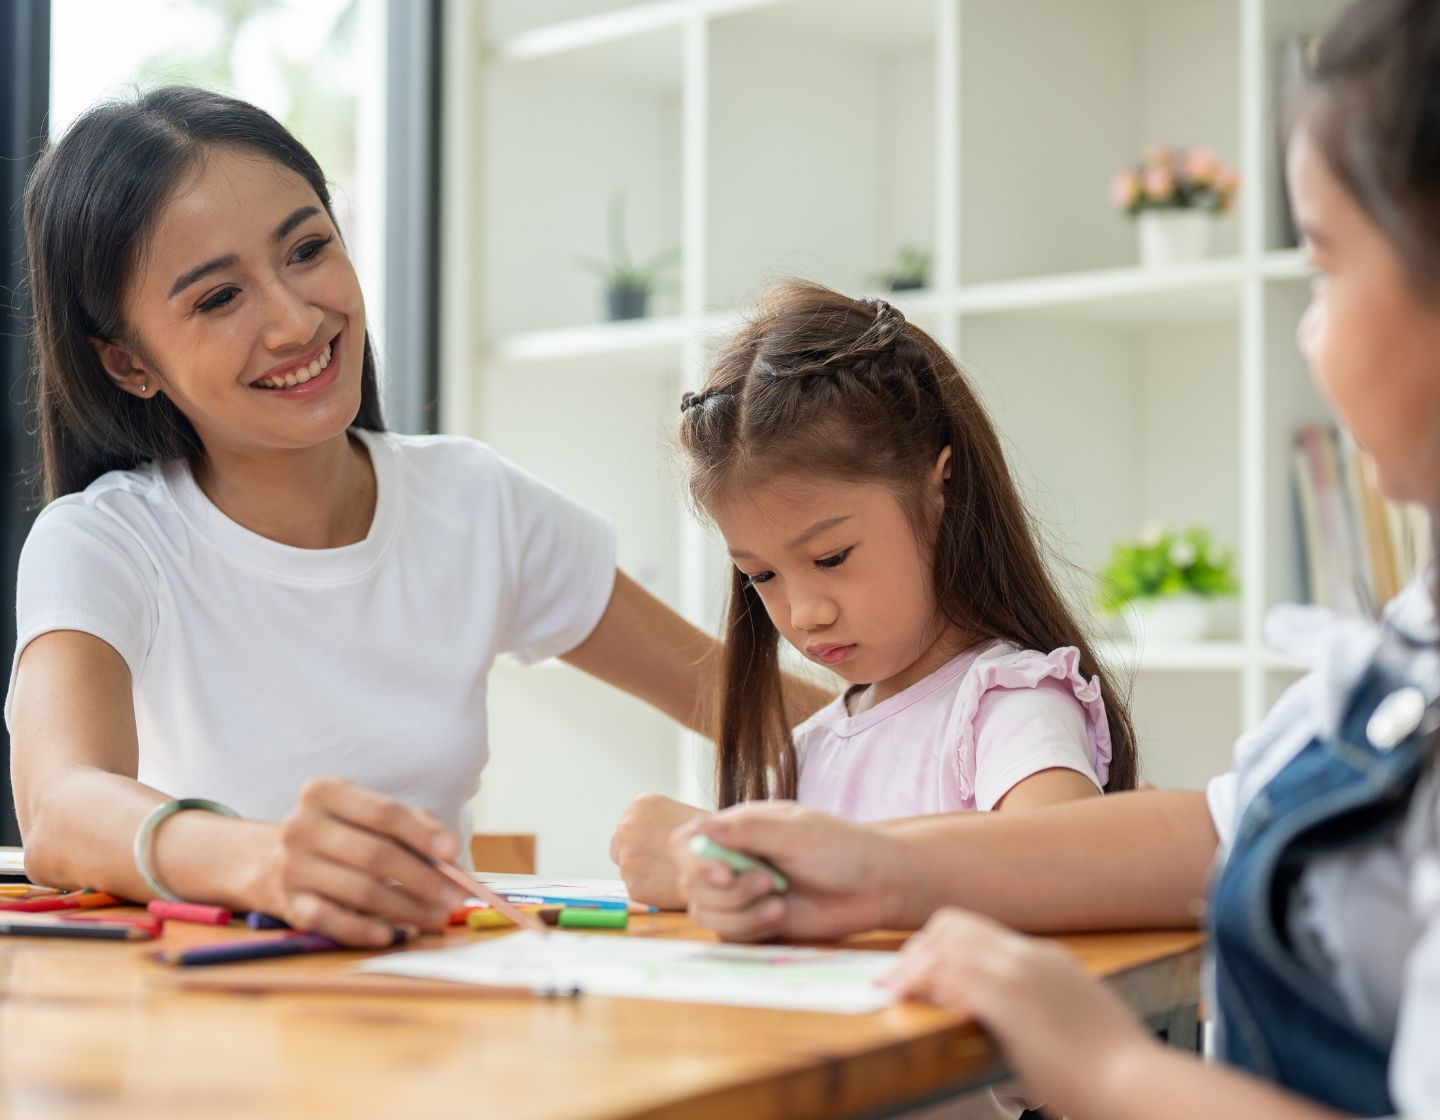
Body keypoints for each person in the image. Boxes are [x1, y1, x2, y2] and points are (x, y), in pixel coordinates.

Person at [670, 2, 1440, 1116]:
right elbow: (1217, 826)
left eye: (1323, 264)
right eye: (763, 574)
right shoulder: (1410, 645)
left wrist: (1110, 1067)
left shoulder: (1005, 692)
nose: (1310, 334)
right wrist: (881, 869)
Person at [2, 85, 827, 948]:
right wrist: (268, 861)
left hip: (429, 1002)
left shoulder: (473, 505)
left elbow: (744, 705)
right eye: (217, 299)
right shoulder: (104, 542)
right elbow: (59, 809)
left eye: (308, 249)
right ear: (130, 363)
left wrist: (965, 766)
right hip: (201, 1018)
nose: (294, 319)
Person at [612, 280, 1137, 909]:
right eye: (762, 576)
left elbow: (1069, 872)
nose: (805, 614)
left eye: (831, 558)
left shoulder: (1006, 704)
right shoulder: (816, 744)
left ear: (943, 486)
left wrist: (753, 865)